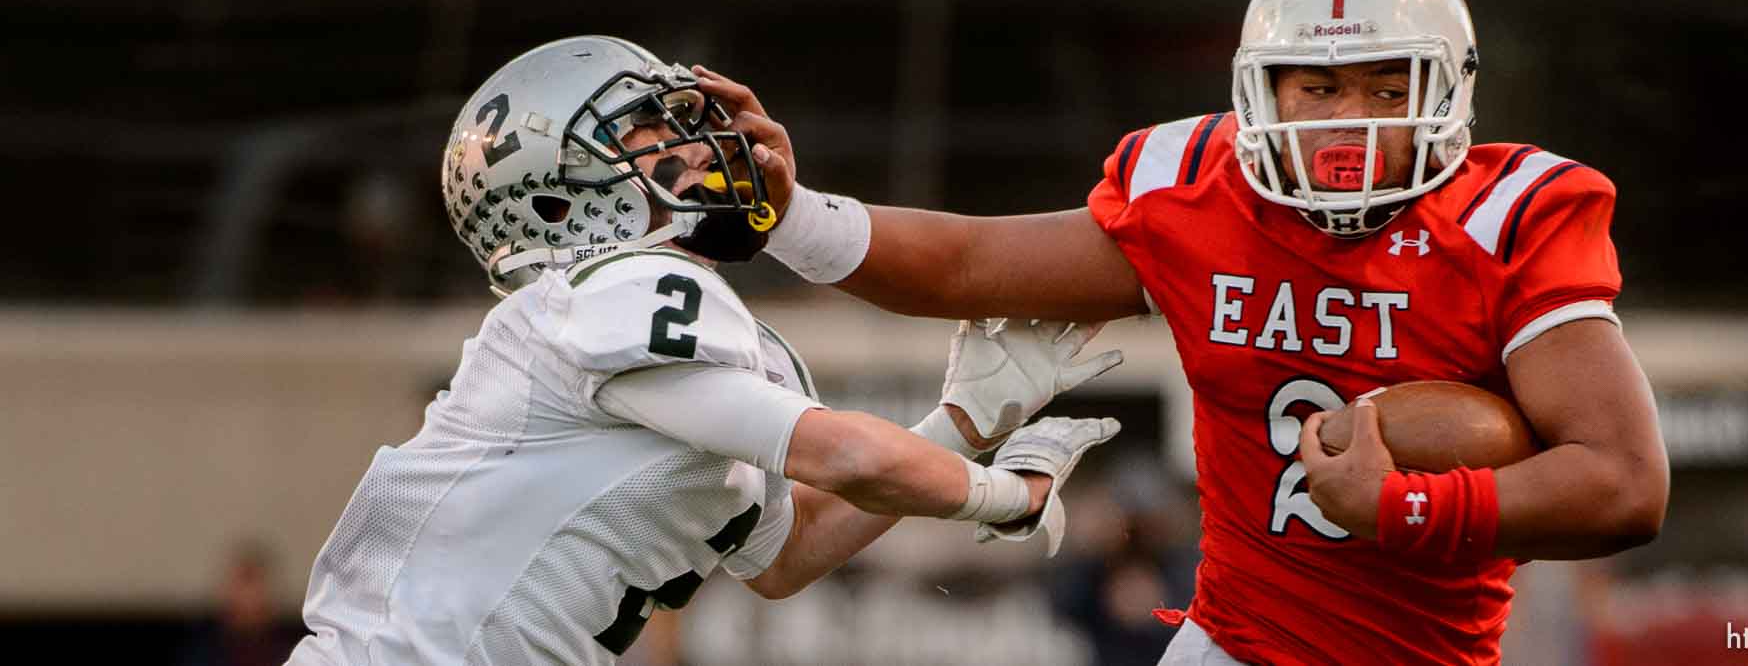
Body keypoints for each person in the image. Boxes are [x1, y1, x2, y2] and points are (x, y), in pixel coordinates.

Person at [703, 0, 1672, 665]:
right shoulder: (1198, 192)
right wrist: (785, 214)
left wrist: (1400, 504)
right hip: (1227, 643)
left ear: (1447, 95)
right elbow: (965, 262)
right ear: (1263, 94)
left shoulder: (1511, 217)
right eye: (1318, 87)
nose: (1349, 121)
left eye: (1387, 89)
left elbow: (1626, 484)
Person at [286, 37, 1123, 666]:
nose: (693, 141)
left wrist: (964, 422)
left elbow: (788, 550)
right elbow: (845, 453)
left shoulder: (670, 324)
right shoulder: (607, 293)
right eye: (646, 127)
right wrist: (1010, 494)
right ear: (554, 198)